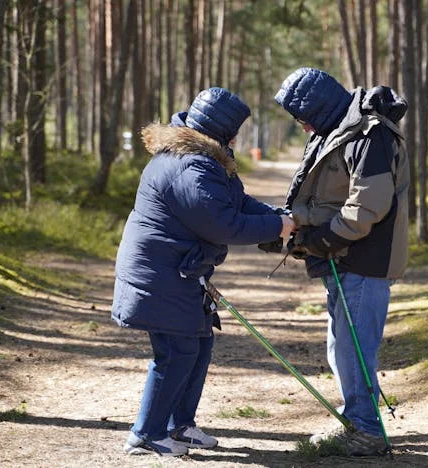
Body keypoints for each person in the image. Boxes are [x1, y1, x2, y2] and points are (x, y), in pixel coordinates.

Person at [112, 87, 295, 457]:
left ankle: (179, 426)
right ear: (223, 131)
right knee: (177, 351)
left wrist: (277, 216)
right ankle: (146, 435)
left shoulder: (204, 158)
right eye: (236, 131)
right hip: (160, 273)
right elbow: (223, 224)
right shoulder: (191, 166)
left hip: (179, 271)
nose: (237, 138)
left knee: (198, 343)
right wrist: (277, 228)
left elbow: (237, 202)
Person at [273, 67, 408, 456]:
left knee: (354, 350)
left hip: (364, 259)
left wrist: (324, 238)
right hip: (341, 258)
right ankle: (357, 420)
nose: (300, 126)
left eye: (302, 116)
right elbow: (323, 194)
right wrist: (293, 228)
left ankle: (366, 431)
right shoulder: (333, 132)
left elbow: (368, 204)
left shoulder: (371, 135)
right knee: (342, 348)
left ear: (320, 107)